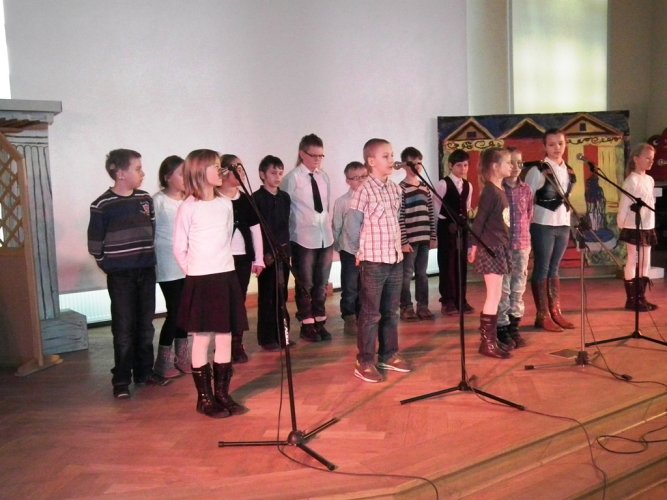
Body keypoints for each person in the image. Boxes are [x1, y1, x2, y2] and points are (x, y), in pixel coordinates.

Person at [173, 149, 248, 418]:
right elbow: (179, 247)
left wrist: (219, 266)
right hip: (201, 279)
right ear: (198, 171)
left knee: (225, 336)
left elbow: (226, 237)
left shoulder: (225, 204)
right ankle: (204, 398)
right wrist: (195, 272)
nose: (221, 171)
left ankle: (222, 394)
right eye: (215, 167)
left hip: (225, 275)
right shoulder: (188, 208)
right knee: (202, 337)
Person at [88, 148, 167, 399]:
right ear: (120, 173)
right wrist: (109, 265)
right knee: (123, 328)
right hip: (121, 275)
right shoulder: (102, 205)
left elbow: (151, 229)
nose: (143, 173)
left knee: (146, 325)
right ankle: (121, 379)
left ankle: (144, 372)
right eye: (138, 169)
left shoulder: (144, 199)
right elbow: (95, 244)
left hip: (145, 270)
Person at [348, 138, 411, 383]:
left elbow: (397, 221)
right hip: (373, 261)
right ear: (371, 161)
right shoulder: (363, 190)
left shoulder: (396, 189)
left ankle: (389, 354)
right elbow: (353, 226)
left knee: (391, 311)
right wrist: (359, 253)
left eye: (392, 155)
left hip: (395, 259)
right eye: (386, 156)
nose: (391, 159)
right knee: (370, 314)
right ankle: (364, 361)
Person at [281, 133, 334, 342]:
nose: (318, 160)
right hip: (302, 238)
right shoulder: (292, 178)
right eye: (314, 155)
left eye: (321, 156)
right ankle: (307, 323)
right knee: (306, 283)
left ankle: (320, 320)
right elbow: (285, 209)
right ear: (302, 154)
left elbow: (325, 206)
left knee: (321, 283)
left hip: (325, 237)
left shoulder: (324, 177)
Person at [525, 128, 576, 332]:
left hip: (563, 223)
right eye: (552, 144)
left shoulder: (570, 170)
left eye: (560, 143)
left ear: (566, 144)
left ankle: (556, 311)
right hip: (542, 223)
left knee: (555, 269)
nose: (557, 148)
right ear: (544, 146)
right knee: (542, 268)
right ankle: (542, 315)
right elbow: (526, 199)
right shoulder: (537, 170)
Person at [468, 147, 513, 359]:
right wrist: (473, 246)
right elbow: (479, 221)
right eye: (508, 162)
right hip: (491, 248)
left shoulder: (500, 189)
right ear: (495, 166)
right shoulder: (490, 191)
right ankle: (487, 343)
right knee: (493, 295)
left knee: (497, 295)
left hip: (499, 247)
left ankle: (491, 340)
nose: (512, 166)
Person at [220, 154, 265, 363]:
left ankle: (237, 343)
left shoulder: (246, 199)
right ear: (223, 172)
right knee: (223, 302)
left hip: (243, 258)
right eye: (235, 168)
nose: (240, 172)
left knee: (239, 301)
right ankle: (223, 343)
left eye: (241, 167)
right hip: (220, 260)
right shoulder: (215, 199)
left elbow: (256, 230)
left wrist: (259, 258)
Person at [152, 155, 190, 379]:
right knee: (175, 310)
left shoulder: (189, 200)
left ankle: (182, 357)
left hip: (188, 262)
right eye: (181, 174)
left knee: (185, 311)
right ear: (167, 177)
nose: (185, 178)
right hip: (168, 262)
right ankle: (163, 362)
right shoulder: (158, 201)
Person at [253, 155, 292, 350]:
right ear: (262, 174)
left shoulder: (285, 197)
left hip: (283, 252)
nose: (277, 177)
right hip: (266, 255)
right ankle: (267, 338)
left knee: (282, 295)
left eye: (280, 173)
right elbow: (256, 230)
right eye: (273, 173)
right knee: (267, 296)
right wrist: (261, 255)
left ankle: (283, 335)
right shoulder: (256, 198)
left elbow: (285, 225)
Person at [496, 147, 532, 349]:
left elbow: (529, 214)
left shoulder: (526, 189)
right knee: (504, 288)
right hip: (504, 246)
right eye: (512, 162)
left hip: (522, 244)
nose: (517, 167)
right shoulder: (499, 189)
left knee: (518, 288)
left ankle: (514, 326)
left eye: (520, 163)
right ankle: (501, 327)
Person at [617, 142, 658, 311]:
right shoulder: (631, 181)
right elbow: (624, 205)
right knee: (633, 259)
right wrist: (621, 223)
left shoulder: (649, 179)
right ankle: (632, 299)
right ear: (636, 159)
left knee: (645, 261)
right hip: (633, 225)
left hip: (647, 225)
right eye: (647, 158)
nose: (651, 161)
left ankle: (641, 297)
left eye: (652, 158)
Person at [398, 147, 437, 321]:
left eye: (419, 163)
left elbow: (430, 212)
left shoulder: (425, 187)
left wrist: (433, 236)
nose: (417, 166)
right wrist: (404, 241)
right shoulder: (401, 188)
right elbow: (400, 217)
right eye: (413, 163)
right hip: (410, 239)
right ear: (405, 165)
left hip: (424, 238)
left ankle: (423, 306)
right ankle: (406, 307)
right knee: (406, 275)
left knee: (422, 273)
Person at [434, 149, 474, 316]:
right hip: (446, 228)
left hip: (461, 229)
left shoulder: (468, 186)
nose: (463, 169)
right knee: (447, 263)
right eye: (459, 165)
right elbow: (436, 208)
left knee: (460, 263)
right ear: (450, 166)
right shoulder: (443, 184)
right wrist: (447, 223)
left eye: (465, 165)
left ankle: (461, 299)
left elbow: (467, 207)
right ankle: (448, 300)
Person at [332, 161, 368, 336]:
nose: (360, 181)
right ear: (348, 180)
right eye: (355, 178)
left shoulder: (371, 197)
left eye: (363, 177)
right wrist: (338, 246)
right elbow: (337, 225)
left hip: (368, 250)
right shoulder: (342, 202)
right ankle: (349, 316)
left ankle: (363, 315)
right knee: (350, 285)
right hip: (349, 250)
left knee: (365, 285)